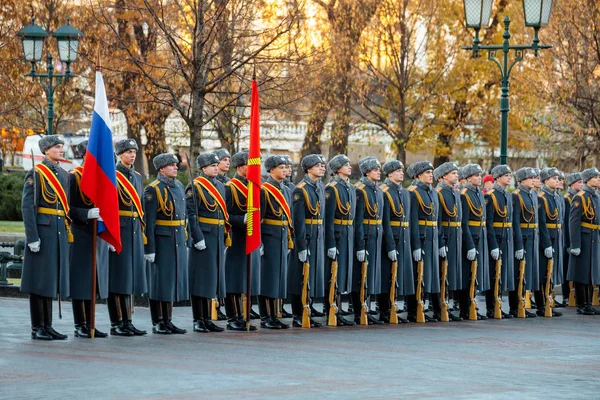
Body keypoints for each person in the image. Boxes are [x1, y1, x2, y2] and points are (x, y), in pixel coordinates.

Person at [21, 135, 71, 340]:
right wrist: (32, 236)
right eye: (57, 147)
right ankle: (37, 327)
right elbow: (27, 206)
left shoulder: (64, 174)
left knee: (50, 279)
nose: (61, 150)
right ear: (47, 150)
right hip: (43, 231)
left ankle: (48, 325)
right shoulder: (37, 173)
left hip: (58, 231)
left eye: (61, 147)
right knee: (39, 280)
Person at [68, 140, 110, 338]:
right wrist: (86, 214)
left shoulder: (101, 178)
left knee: (93, 279)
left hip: (96, 233)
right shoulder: (74, 177)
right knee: (81, 279)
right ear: (85, 156)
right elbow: (68, 208)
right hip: (80, 232)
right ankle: (80, 324)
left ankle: (90, 323)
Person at [144, 153, 189, 334]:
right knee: (159, 281)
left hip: (176, 239)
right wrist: (150, 248)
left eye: (176, 165)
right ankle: (158, 321)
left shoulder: (178, 186)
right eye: (171, 165)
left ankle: (168, 320)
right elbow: (149, 222)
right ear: (161, 169)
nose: (176, 167)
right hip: (161, 240)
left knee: (170, 281)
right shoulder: (153, 190)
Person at [107, 139, 148, 337]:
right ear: (119, 154)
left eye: (134, 151)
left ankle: (128, 321)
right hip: (119, 230)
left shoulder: (137, 177)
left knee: (130, 278)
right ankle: (117, 323)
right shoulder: (112, 175)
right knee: (118, 278)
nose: (132, 155)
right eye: (128, 152)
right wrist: (108, 235)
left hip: (133, 230)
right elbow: (108, 207)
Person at [186, 152, 230, 333]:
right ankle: (199, 319)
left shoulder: (219, 185)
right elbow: (191, 214)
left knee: (212, 279)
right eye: (212, 165)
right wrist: (197, 237)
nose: (215, 167)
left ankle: (208, 318)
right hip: (204, 236)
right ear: (203, 168)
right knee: (201, 280)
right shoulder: (195, 186)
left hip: (217, 236)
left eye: (216, 165)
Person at [288, 154, 327, 328]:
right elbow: (298, 220)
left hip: (317, 235)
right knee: (300, 276)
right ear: (309, 169)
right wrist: (301, 245)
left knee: (311, 276)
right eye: (318, 165)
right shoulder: (300, 189)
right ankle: (298, 313)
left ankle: (308, 309)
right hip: (306, 237)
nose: (322, 168)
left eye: (323, 165)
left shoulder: (319, 187)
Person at [223, 151, 260, 331]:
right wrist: (241, 219)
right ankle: (233, 317)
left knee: (246, 277)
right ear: (239, 167)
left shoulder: (253, 186)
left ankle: (244, 314)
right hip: (236, 236)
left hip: (250, 236)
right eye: (250, 165)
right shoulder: (230, 187)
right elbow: (225, 214)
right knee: (234, 277)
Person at [259, 155, 293, 329]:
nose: (284, 170)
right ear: (271, 170)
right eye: (281, 167)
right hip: (269, 236)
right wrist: (259, 243)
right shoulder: (264, 190)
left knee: (278, 277)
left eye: (285, 167)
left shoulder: (286, 189)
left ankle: (275, 314)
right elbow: (258, 218)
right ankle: (266, 316)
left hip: (281, 236)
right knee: (268, 277)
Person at [379, 160, 414, 324]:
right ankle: (385, 309)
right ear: (390, 174)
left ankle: (395, 306)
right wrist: (390, 245)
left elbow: (409, 220)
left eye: (402, 170)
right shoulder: (384, 191)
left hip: (404, 237)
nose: (401, 173)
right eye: (398, 171)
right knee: (388, 275)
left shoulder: (405, 193)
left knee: (401, 274)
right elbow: (385, 221)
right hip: (392, 237)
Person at [323, 155, 356, 326]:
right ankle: (331, 308)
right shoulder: (332, 188)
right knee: (334, 273)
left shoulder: (350, 188)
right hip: (337, 234)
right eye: (345, 165)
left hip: (348, 233)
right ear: (337, 169)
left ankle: (339, 308)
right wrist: (330, 243)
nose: (349, 167)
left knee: (344, 273)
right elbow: (328, 219)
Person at [406, 161, 440, 323]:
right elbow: (412, 221)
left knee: (430, 274)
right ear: (418, 175)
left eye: (431, 172)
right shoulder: (413, 192)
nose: (430, 175)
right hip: (421, 237)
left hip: (432, 237)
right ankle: (414, 310)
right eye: (427, 172)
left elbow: (436, 219)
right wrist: (416, 245)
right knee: (418, 275)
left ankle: (426, 306)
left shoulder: (432, 192)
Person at [352, 157, 384, 325]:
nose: (379, 172)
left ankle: (368, 307)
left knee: (371, 275)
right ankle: (359, 310)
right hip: (365, 235)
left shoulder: (378, 191)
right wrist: (360, 245)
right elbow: (357, 221)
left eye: (379, 169)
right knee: (361, 275)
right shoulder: (360, 190)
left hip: (376, 236)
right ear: (366, 172)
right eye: (375, 169)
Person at [459, 164, 490, 320]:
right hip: (471, 237)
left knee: (476, 273)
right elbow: (464, 223)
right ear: (469, 178)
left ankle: (473, 305)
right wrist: (469, 244)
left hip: (480, 236)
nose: (480, 177)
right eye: (476, 175)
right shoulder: (464, 194)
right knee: (468, 274)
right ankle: (466, 307)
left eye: (480, 175)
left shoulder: (478, 193)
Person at [484, 165, 515, 319]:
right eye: (505, 175)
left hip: (507, 236)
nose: (509, 177)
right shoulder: (491, 196)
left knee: (503, 273)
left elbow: (512, 221)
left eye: (509, 175)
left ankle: (499, 305)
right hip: (497, 237)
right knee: (493, 274)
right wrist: (493, 245)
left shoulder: (508, 196)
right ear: (497, 178)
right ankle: (492, 307)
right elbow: (488, 223)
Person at [568, 167, 600, 315]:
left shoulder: (596, 196)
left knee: (591, 272)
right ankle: (582, 304)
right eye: (595, 177)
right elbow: (573, 222)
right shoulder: (580, 197)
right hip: (584, 237)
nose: (598, 179)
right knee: (582, 272)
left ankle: (588, 303)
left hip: (595, 236)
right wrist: (575, 244)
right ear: (587, 180)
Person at [508, 167, 539, 318]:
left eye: (534, 177)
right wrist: (518, 244)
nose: (534, 180)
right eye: (530, 177)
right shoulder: (517, 196)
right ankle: (515, 306)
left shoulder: (532, 194)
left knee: (527, 272)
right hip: (523, 238)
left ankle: (522, 303)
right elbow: (515, 222)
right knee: (518, 273)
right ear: (521, 180)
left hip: (532, 237)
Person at [434, 162, 463, 321]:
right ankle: (440, 306)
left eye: (456, 173)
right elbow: (437, 221)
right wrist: (441, 242)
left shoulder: (455, 193)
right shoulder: (438, 193)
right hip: (445, 236)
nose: (456, 175)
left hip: (455, 236)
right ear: (443, 176)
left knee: (451, 272)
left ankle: (448, 304)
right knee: (442, 273)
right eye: (453, 173)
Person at [535, 168, 564, 317]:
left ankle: (549, 301)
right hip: (546, 239)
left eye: (558, 178)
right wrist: (546, 244)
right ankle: (541, 304)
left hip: (556, 236)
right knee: (543, 272)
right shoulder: (542, 197)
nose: (557, 181)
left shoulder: (556, 197)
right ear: (545, 181)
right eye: (554, 178)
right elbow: (542, 223)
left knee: (551, 272)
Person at [561, 172, 583, 306]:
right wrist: (569, 242)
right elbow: (567, 221)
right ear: (572, 183)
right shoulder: (567, 198)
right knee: (567, 268)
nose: (581, 184)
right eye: (579, 182)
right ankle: (566, 294)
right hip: (567, 238)